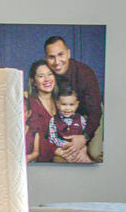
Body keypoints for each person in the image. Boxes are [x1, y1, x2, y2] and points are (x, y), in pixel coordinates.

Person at [44, 35, 102, 163]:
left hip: (89, 113)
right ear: (46, 58)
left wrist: (84, 138)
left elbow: (95, 111)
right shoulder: (46, 74)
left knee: (95, 153)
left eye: (61, 54)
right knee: (65, 155)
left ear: (68, 53)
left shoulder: (85, 73)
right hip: (62, 117)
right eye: (51, 57)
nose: (57, 61)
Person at [23, 59, 61, 162]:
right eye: (41, 76)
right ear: (34, 82)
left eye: (50, 74)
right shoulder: (30, 104)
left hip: (64, 148)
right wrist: (57, 151)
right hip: (44, 155)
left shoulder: (61, 103)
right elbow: (35, 136)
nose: (47, 79)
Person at [50, 87, 94, 161]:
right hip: (63, 150)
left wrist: (83, 146)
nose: (67, 108)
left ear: (77, 105)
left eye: (71, 105)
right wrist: (65, 144)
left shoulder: (81, 119)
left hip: (79, 149)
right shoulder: (53, 120)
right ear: (57, 104)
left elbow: (85, 135)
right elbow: (52, 138)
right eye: (64, 104)